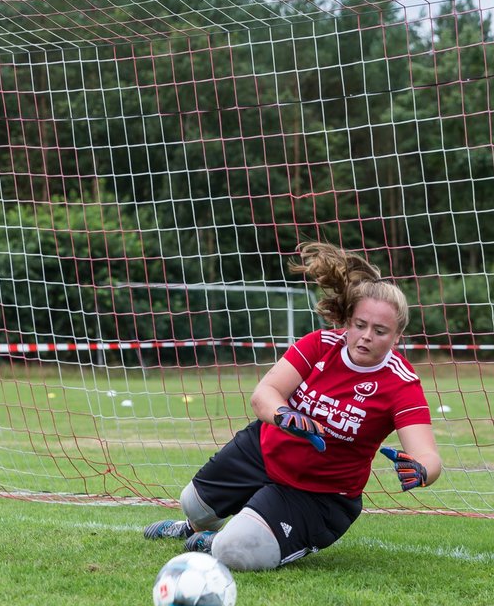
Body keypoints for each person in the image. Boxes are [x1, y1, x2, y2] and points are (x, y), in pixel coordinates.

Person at [144, 241, 442, 570]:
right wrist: (284, 414)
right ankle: (194, 526)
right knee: (193, 504)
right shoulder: (319, 345)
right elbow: (265, 394)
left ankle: (223, 538)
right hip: (263, 453)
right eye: (359, 325)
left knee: (234, 552)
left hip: (319, 494)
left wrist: (422, 471)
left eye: (380, 330)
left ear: (397, 336)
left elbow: (427, 455)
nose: (366, 336)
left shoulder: (401, 383)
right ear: (348, 321)